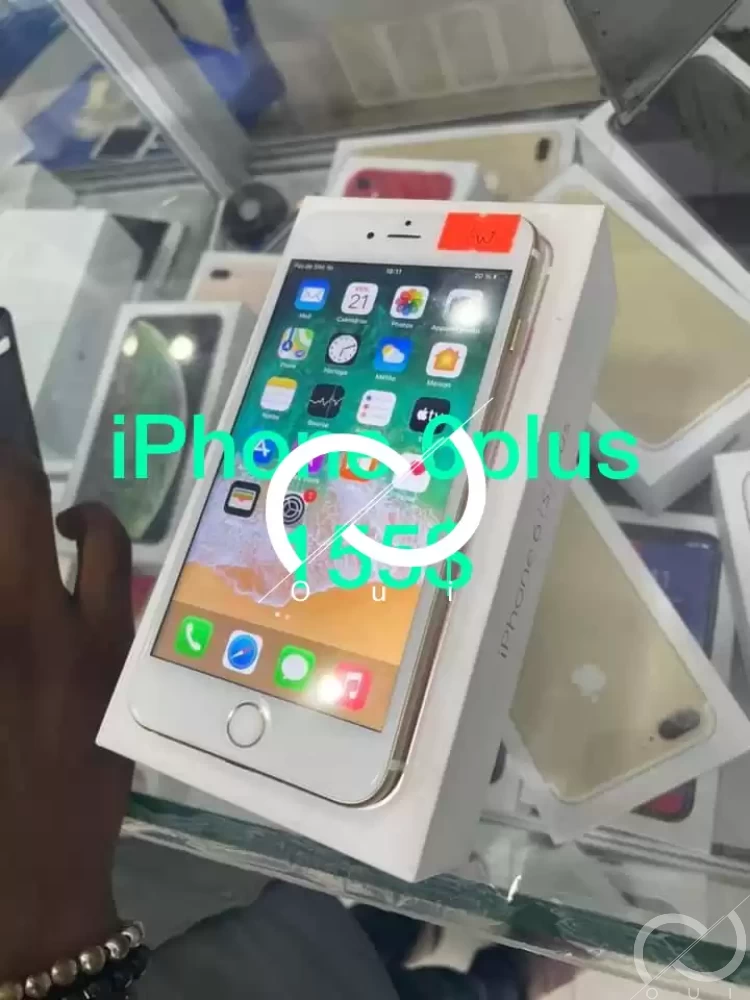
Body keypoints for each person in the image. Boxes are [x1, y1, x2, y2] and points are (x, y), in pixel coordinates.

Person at [0, 444, 565, 999]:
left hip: (249, 933)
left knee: (324, 936)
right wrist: (46, 934)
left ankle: (404, 933)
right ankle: (510, 978)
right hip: (185, 946)